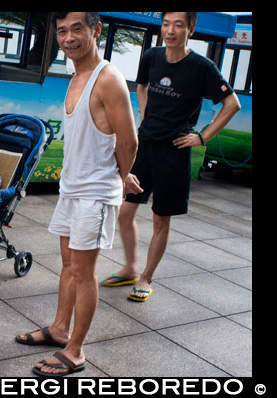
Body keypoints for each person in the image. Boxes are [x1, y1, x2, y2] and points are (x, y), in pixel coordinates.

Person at [15, 12, 139, 376]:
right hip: (72, 189)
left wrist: (121, 176)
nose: (68, 38)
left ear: (96, 30)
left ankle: (76, 350)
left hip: (95, 194)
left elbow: (129, 140)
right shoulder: (77, 76)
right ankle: (58, 329)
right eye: (62, 31)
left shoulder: (108, 79)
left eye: (77, 29)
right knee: (69, 265)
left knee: (84, 272)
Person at [100, 12, 241, 302]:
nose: (171, 30)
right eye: (166, 24)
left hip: (174, 152)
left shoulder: (202, 67)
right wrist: (143, 112)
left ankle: (146, 277)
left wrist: (201, 137)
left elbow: (232, 104)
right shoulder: (152, 56)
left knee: (160, 219)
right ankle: (129, 267)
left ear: (191, 28)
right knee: (125, 212)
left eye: (178, 25)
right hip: (145, 146)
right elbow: (141, 85)